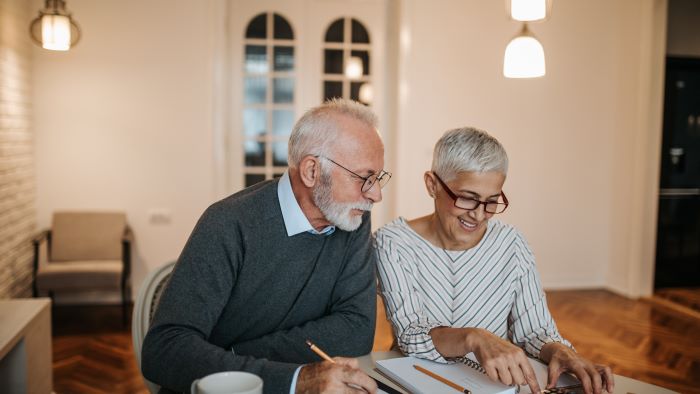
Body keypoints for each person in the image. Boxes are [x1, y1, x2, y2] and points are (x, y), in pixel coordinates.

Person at [142, 98, 392, 394]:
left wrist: (235, 355)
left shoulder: (352, 219)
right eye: (364, 177)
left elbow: (356, 331)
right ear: (312, 171)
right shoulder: (228, 223)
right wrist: (295, 380)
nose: (375, 194)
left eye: (377, 178)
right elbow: (165, 349)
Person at [375, 127, 614, 394]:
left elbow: (535, 330)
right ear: (432, 185)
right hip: (417, 382)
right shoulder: (393, 242)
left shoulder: (511, 243)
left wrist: (560, 350)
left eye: (491, 201)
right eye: (467, 198)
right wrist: (474, 337)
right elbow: (411, 334)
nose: (479, 215)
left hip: (495, 386)